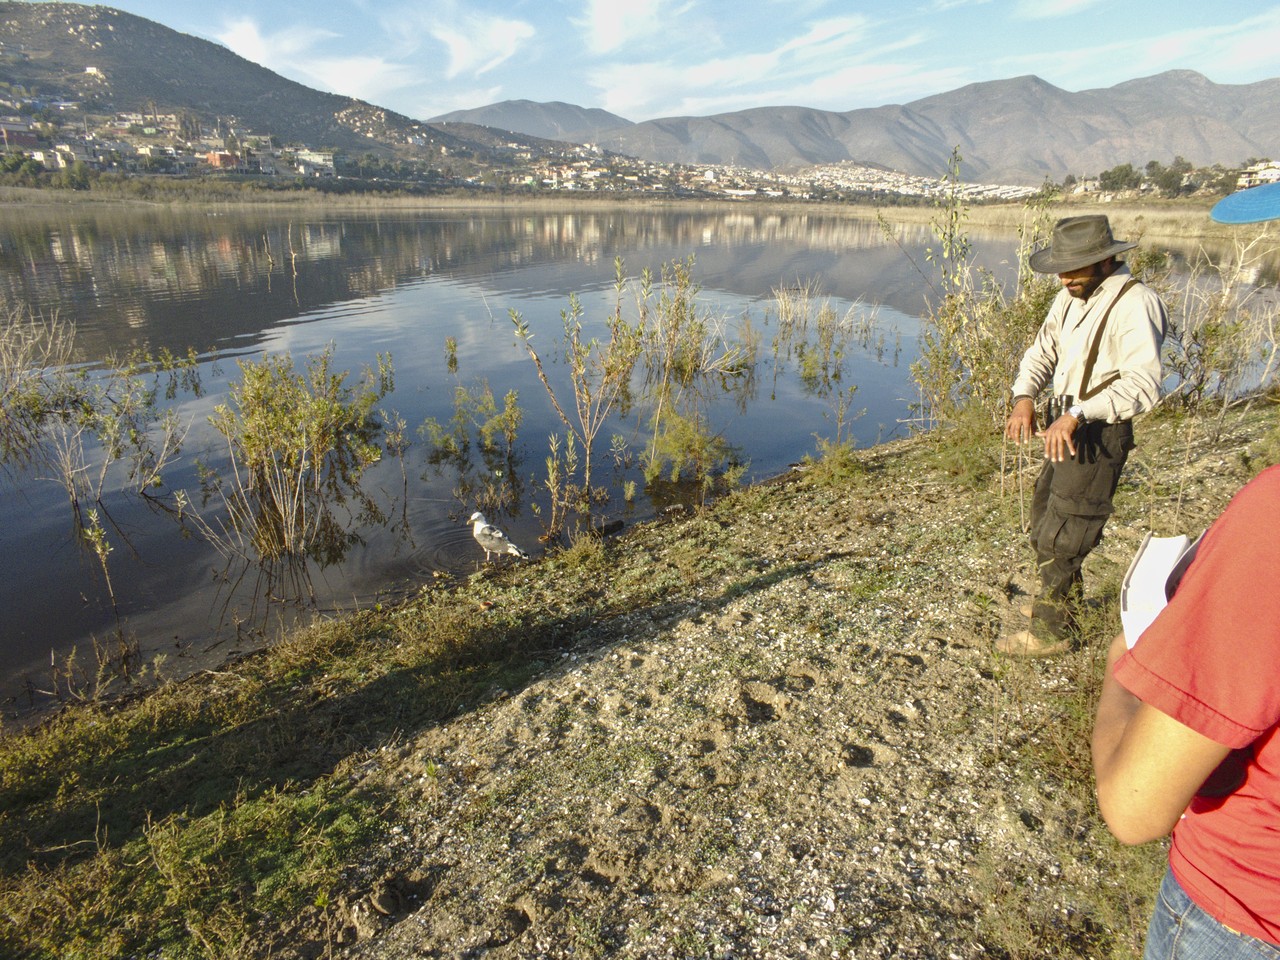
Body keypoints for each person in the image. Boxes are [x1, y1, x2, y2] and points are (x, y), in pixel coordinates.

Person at [1090, 179, 1280, 960]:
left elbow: (1133, 809)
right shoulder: (1073, 305)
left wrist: (1124, 667)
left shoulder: (1274, 520)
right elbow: (1041, 351)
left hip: (1239, 919)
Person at [999, 215, 1167, 656]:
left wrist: (1077, 412)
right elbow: (1042, 350)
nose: (1064, 276)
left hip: (1099, 431)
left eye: (1074, 267)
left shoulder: (1137, 303)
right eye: (1061, 266)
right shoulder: (1069, 298)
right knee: (1044, 517)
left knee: (1067, 530)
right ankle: (1062, 608)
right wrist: (1024, 397)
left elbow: (1142, 384)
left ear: (1107, 259)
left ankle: (1054, 634)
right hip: (1064, 423)